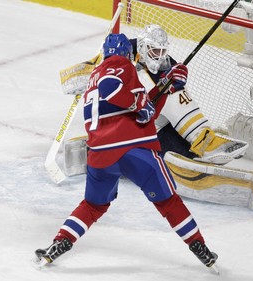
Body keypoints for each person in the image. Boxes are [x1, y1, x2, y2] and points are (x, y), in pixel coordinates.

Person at [35, 33, 218, 270]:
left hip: (100, 156)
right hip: (134, 149)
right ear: (128, 54)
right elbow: (112, 88)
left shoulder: (95, 75)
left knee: (93, 205)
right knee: (169, 203)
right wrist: (136, 103)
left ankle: (57, 245)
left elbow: (147, 111)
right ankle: (200, 249)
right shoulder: (119, 65)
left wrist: (166, 83)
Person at [130, 24, 248, 165]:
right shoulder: (123, 52)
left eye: (162, 51)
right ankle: (204, 143)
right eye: (155, 51)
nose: (159, 56)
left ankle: (203, 139)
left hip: (151, 123)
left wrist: (175, 82)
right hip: (128, 129)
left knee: (187, 152)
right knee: (168, 94)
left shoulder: (165, 62)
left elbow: (168, 95)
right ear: (143, 46)